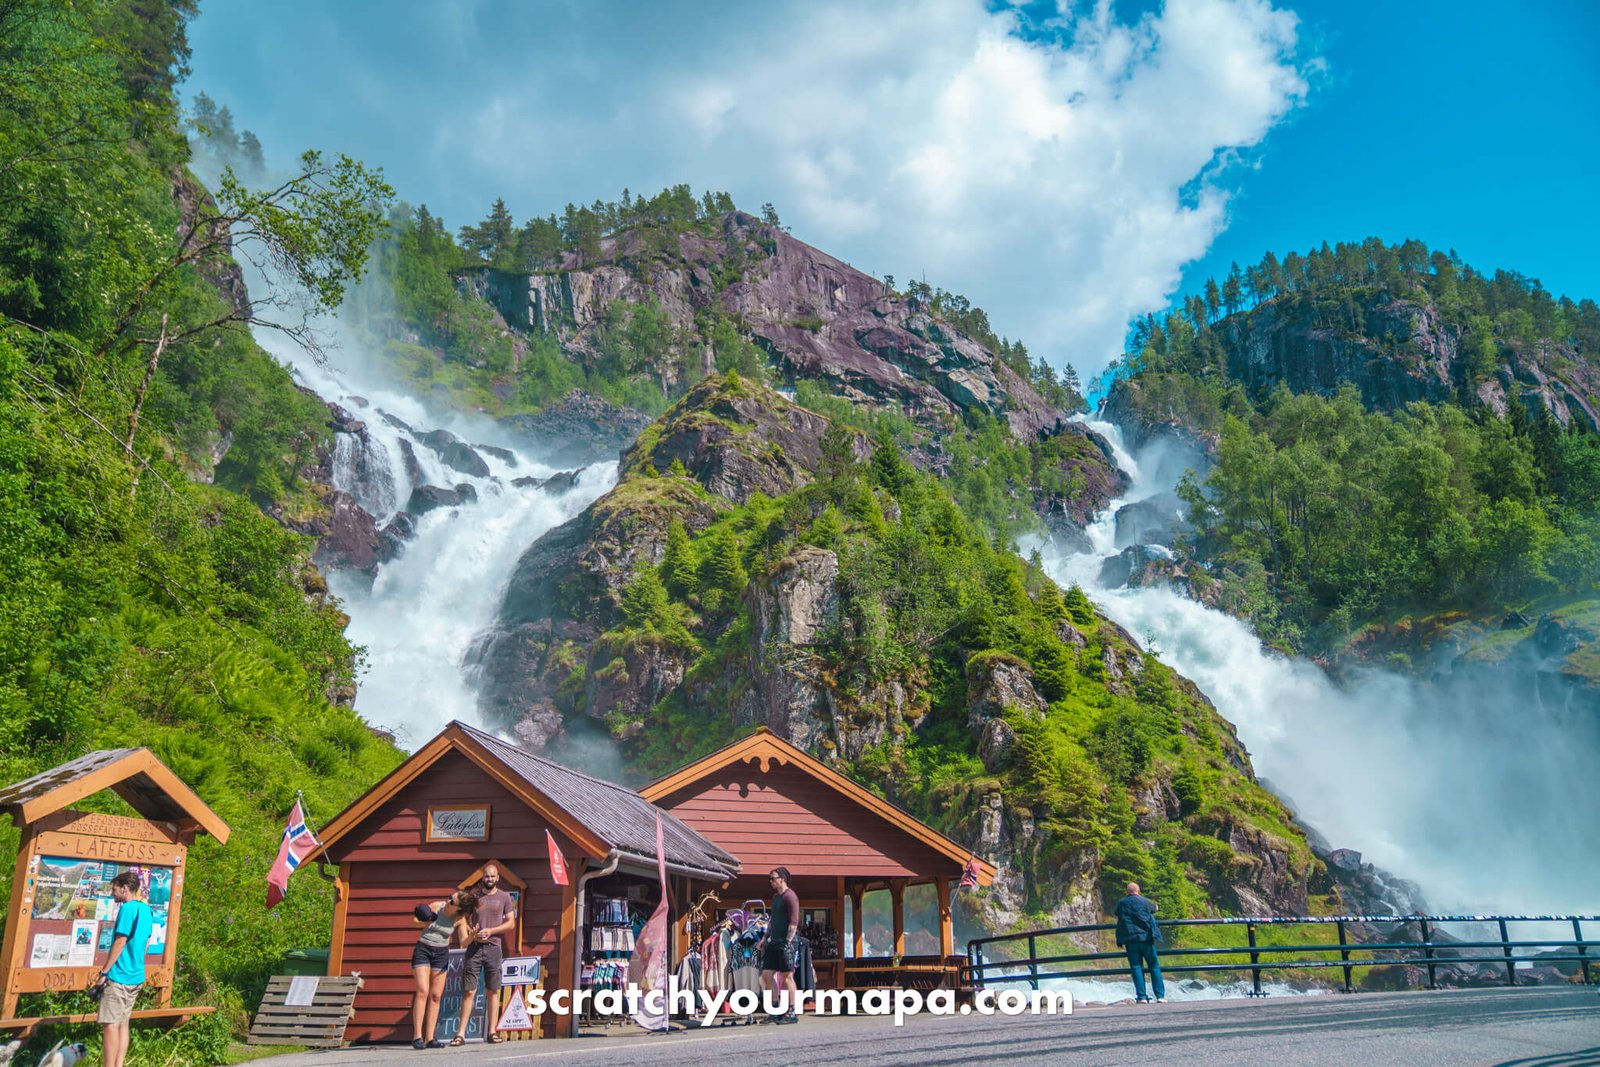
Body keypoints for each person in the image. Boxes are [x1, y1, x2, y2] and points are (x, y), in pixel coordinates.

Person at [452, 865, 515, 1046]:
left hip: (494, 947)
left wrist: (492, 931)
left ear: (498, 878)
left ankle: (492, 1032)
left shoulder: (504, 897)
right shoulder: (475, 896)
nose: (489, 879)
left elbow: (511, 923)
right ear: (483, 878)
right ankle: (461, 1034)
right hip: (474, 947)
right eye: (486, 876)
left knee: (493, 990)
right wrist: (471, 932)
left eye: (492, 876)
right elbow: (462, 917)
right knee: (469, 990)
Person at [96, 871, 153, 1067]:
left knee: (111, 1024)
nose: (113, 893)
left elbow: (120, 941)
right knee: (123, 1023)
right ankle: (119, 1064)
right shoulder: (146, 910)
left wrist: (104, 972)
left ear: (124, 888)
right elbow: (146, 942)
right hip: (136, 975)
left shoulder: (127, 909)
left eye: (114, 889)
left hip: (118, 975)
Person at [411, 888, 477, 1050]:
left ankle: (430, 1038)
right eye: (449, 897)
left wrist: (472, 936)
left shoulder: (459, 918)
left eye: (452, 901)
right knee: (423, 990)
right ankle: (417, 1036)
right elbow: (414, 921)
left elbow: (463, 942)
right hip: (424, 949)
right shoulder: (435, 906)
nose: (448, 901)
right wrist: (425, 922)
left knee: (435, 996)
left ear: (459, 907)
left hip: (441, 953)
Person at [759, 867, 800, 1024]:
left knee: (787, 976)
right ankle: (775, 1009)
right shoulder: (776, 897)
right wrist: (765, 938)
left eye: (773, 878)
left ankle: (791, 1012)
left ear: (782, 878)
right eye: (770, 879)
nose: (771, 881)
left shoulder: (790, 897)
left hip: (786, 942)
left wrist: (788, 942)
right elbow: (772, 921)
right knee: (766, 975)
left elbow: (794, 922)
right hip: (773, 941)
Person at [1114, 881, 1165, 1004]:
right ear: (1138, 891)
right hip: (1146, 938)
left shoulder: (1121, 903)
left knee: (1136, 967)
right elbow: (1155, 908)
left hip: (1130, 940)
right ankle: (1160, 996)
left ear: (1127, 892)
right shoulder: (1145, 901)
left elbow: (1116, 913)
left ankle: (1141, 996)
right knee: (1154, 966)